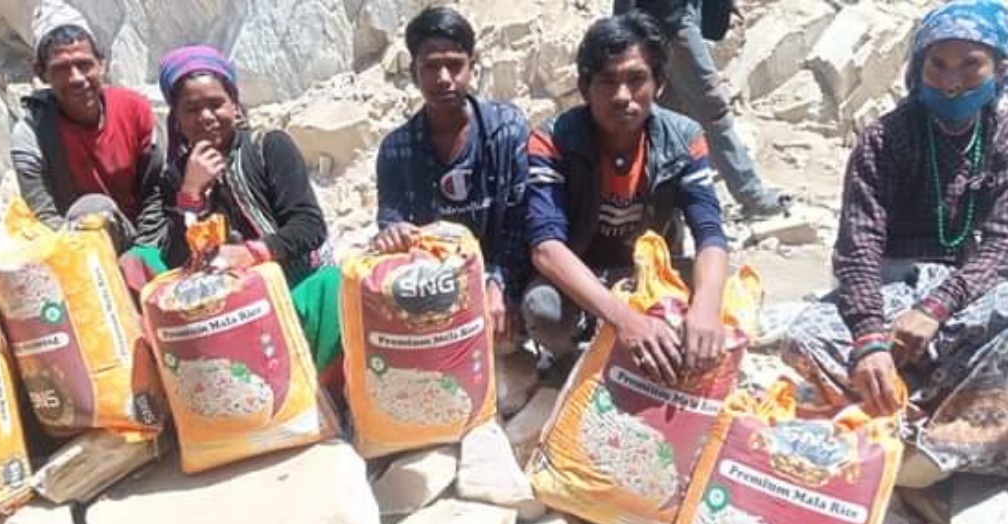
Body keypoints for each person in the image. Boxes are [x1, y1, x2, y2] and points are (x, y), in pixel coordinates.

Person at [783, 0, 1008, 476]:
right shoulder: (885, 139)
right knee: (804, 340)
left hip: (968, 295)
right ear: (917, 67)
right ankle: (912, 407)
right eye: (938, 64)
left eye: (971, 65)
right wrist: (869, 338)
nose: (951, 81)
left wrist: (935, 309)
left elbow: (1000, 247)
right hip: (891, 289)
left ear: (1000, 68)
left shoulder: (1004, 139)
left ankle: (935, 452)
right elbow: (858, 245)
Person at [523, 12, 730, 384]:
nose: (623, 97)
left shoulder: (684, 139)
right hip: (582, 272)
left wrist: (705, 308)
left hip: (649, 272)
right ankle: (572, 362)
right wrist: (625, 319)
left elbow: (710, 233)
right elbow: (546, 247)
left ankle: (665, 356)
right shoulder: (552, 140)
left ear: (659, 83)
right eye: (607, 82)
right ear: (585, 88)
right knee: (543, 310)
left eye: (636, 80)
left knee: (724, 295)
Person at [156, 46, 342, 381]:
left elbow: (309, 226)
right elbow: (177, 260)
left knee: (331, 284)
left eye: (216, 104)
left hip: (290, 281)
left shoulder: (269, 146)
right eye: (191, 109)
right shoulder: (176, 175)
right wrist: (191, 195)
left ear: (235, 104)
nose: (206, 117)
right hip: (221, 300)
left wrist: (250, 253)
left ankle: (326, 393)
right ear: (177, 118)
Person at [373, 6, 530, 342]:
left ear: (472, 67)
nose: (444, 77)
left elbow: (520, 225)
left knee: (540, 312)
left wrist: (498, 283)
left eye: (455, 64)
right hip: (436, 281)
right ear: (415, 73)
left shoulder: (507, 129)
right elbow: (390, 218)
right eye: (431, 67)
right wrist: (393, 232)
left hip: (501, 278)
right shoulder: (395, 148)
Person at [10, 2, 167, 285]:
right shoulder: (31, 134)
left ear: (101, 64)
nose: (76, 79)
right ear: (42, 73)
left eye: (84, 65)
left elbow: (153, 191)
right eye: (61, 69)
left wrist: (144, 250)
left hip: (142, 237)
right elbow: (45, 216)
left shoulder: (135, 109)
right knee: (92, 208)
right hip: (75, 247)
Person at [616, 0, 790, 218]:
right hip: (669, 23)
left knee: (669, 115)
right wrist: (622, 29)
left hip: (673, 19)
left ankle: (652, 198)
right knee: (712, 108)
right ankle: (751, 193)